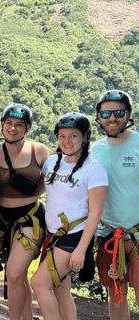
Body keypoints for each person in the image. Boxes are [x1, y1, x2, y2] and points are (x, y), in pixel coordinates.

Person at [31, 112, 108, 320]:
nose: (67, 141)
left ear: (84, 137)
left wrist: (81, 250)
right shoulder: (52, 162)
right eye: (62, 136)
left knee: (39, 283)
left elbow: (96, 213)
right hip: (54, 234)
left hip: (74, 236)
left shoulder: (94, 171)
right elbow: (41, 191)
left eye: (73, 136)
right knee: (60, 291)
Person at [0, 104, 49, 320]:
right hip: (2, 219)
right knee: (18, 275)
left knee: (13, 274)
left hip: (30, 218)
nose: (13, 128)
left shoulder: (38, 151)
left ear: (27, 128)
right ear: (3, 124)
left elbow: (53, 181)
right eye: (9, 123)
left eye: (19, 125)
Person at [91, 90, 139, 320]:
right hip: (109, 236)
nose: (112, 118)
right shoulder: (95, 149)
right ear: (99, 117)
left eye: (118, 112)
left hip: (137, 234)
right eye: (106, 113)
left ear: (128, 114)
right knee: (116, 293)